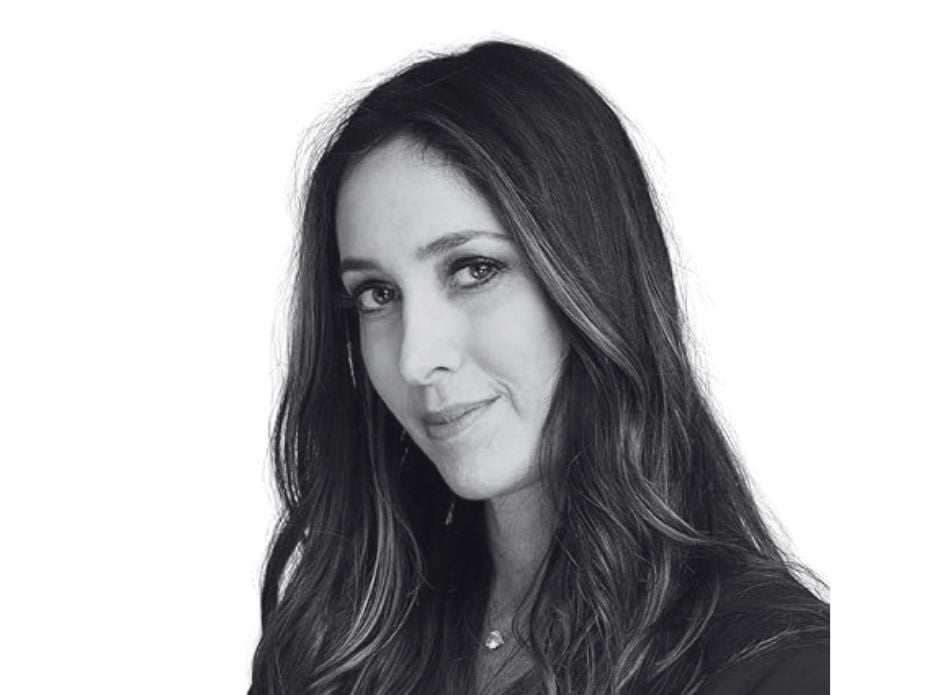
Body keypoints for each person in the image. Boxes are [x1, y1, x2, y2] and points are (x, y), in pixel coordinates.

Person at [248, 40, 829, 695]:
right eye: (377, 294)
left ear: (592, 279)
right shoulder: (339, 640)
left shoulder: (780, 669)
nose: (415, 358)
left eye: (474, 270)